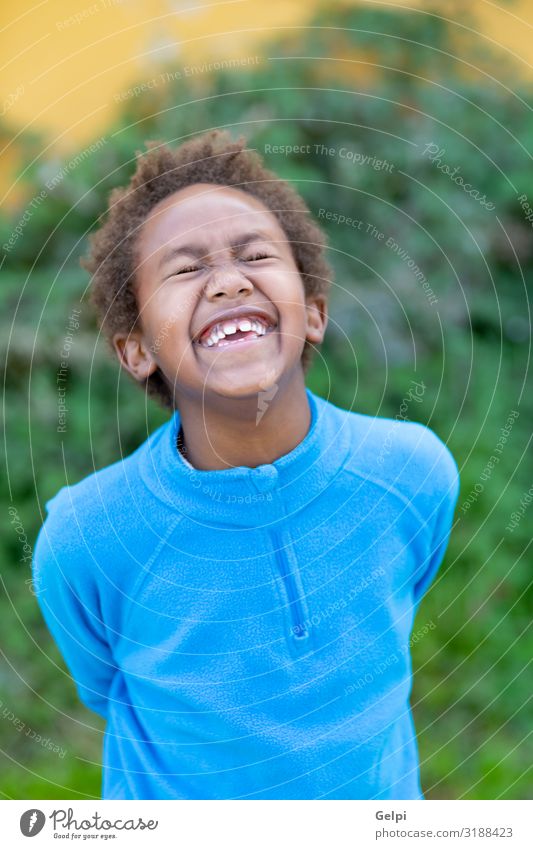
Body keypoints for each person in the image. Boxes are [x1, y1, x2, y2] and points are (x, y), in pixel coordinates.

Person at [32, 129, 460, 800]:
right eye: (185, 268)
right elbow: (103, 684)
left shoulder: (410, 474)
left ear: (312, 312)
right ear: (136, 349)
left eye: (255, 255)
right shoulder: (88, 536)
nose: (229, 281)